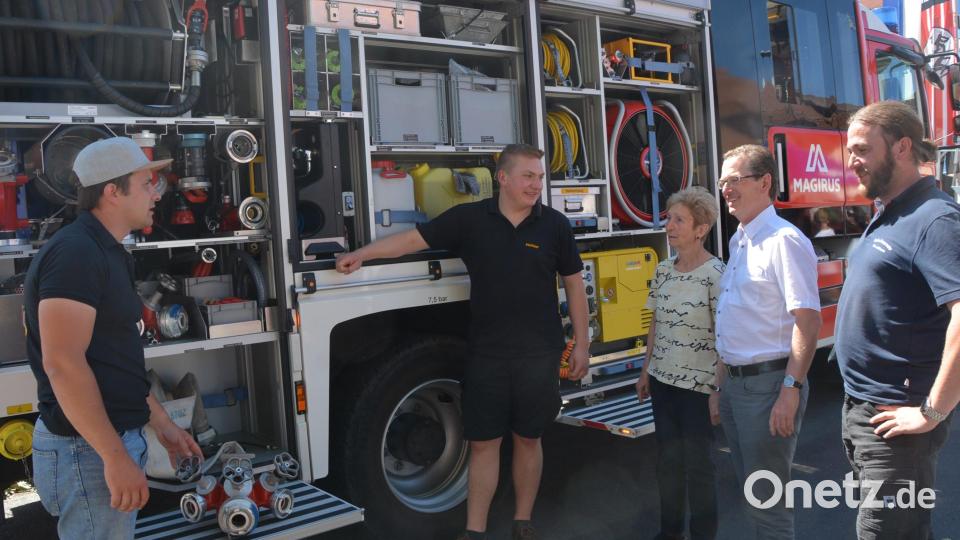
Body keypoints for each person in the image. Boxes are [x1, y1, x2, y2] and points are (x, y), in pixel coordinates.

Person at [335, 144, 590, 540]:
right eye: (528, 176)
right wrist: (362, 254)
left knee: (528, 438)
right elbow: (412, 241)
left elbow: (574, 286)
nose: (536, 184)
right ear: (502, 178)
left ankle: (523, 523)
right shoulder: (471, 220)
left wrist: (583, 343)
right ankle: (474, 531)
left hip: (539, 353)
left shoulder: (554, 225)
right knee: (483, 443)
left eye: (540, 177)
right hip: (487, 353)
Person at [24, 137, 202, 540]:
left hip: (99, 444)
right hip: (84, 451)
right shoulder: (76, 254)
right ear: (111, 191)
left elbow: (115, 362)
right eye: (145, 183)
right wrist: (114, 455)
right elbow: (63, 364)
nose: (156, 193)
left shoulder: (108, 252)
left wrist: (163, 427)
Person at [836, 101, 960, 539]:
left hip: (897, 423)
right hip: (865, 411)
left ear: (903, 146)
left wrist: (932, 411)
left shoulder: (935, 218)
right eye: (850, 151)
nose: (853, 162)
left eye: (863, 150)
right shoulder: (891, 211)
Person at [715, 144, 822, 540]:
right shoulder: (740, 240)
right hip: (737, 385)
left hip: (768, 386)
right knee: (753, 495)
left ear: (764, 183)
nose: (726, 188)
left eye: (735, 180)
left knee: (768, 504)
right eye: (723, 180)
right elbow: (733, 317)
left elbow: (808, 323)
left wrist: (790, 390)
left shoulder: (783, 240)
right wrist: (718, 385)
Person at [636, 186, 724, 540]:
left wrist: (717, 390)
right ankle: (669, 532)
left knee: (698, 466)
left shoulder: (716, 274)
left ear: (700, 229)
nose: (669, 226)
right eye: (669, 218)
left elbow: (724, 336)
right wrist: (645, 371)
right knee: (667, 464)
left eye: (679, 220)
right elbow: (655, 323)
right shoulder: (662, 270)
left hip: (698, 388)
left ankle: (703, 534)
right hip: (662, 381)